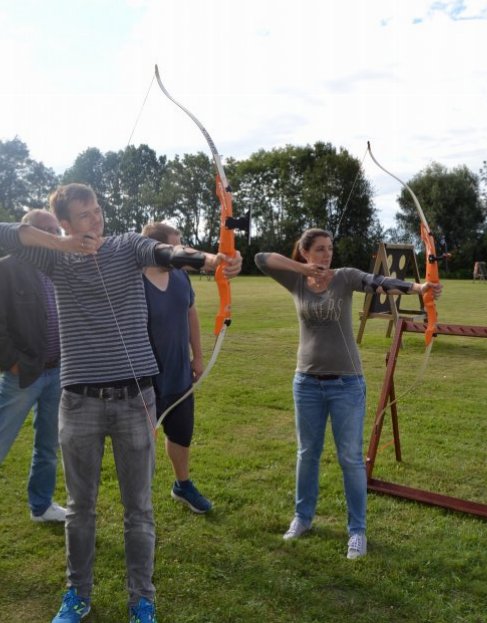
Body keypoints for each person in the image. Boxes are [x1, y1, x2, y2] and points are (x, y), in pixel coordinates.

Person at [0, 183, 242, 623]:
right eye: (85, 215)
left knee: (139, 509)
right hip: (79, 402)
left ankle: (141, 599)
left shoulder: (127, 246)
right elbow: (5, 233)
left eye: (97, 209)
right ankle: (77, 595)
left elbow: (166, 253)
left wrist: (210, 261)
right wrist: (60, 244)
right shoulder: (54, 259)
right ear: (66, 223)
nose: (96, 218)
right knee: (80, 509)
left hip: (135, 399)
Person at [255, 228, 442, 560]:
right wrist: (302, 269)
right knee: (307, 453)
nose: (327, 254)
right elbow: (260, 259)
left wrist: (418, 288)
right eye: (320, 249)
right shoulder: (296, 281)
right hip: (306, 383)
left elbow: (377, 282)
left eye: (330, 248)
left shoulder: (344, 277)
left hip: (347, 383)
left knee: (351, 458)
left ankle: (357, 531)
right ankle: (302, 518)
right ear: (305, 251)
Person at [0, 209, 66, 523]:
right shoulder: (7, 269)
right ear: (26, 234)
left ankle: (41, 506)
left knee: (48, 446)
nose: (53, 236)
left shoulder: (59, 269)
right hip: (23, 375)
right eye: (45, 230)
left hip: (57, 373)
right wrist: (12, 363)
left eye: (56, 231)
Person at [142, 222, 212, 514]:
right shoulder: (134, 280)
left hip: (180, 373)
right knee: (140, 443)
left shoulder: (181, 275)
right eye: (175, 246)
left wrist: (198, 357)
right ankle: (138, 497)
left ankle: (182, 485)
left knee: (181, 434)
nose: (181, 251)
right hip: (144, 379)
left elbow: (190, 313)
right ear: (156, 249)